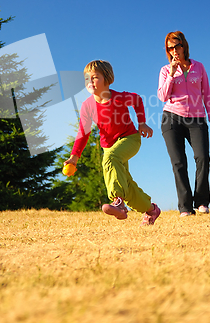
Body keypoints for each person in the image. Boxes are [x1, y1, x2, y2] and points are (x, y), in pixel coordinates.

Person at [64, 60, 161, 225]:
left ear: (107, 79)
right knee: (125, 183)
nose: (90, 82)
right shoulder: (87, 106)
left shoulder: (119, 98)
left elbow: (137, 100)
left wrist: (142, 122)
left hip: (129, 138)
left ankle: (119, 204)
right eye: (87, 78)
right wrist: (74, 157)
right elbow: (83, 132)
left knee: (110, 160)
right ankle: (151, 209)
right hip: (108, 146)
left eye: (95, 77)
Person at [158, 31, 210, 217]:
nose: (174, 50)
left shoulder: (198, 67)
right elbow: (162, 96)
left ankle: (201, 202)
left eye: (177, 46)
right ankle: (185, 207)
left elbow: (207, 94)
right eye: (170, 48)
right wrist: (172, 73)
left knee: (203, 158)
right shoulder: (165, 70)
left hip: (197, 118)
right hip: (172, 118)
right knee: (179, 162)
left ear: (184, 46)